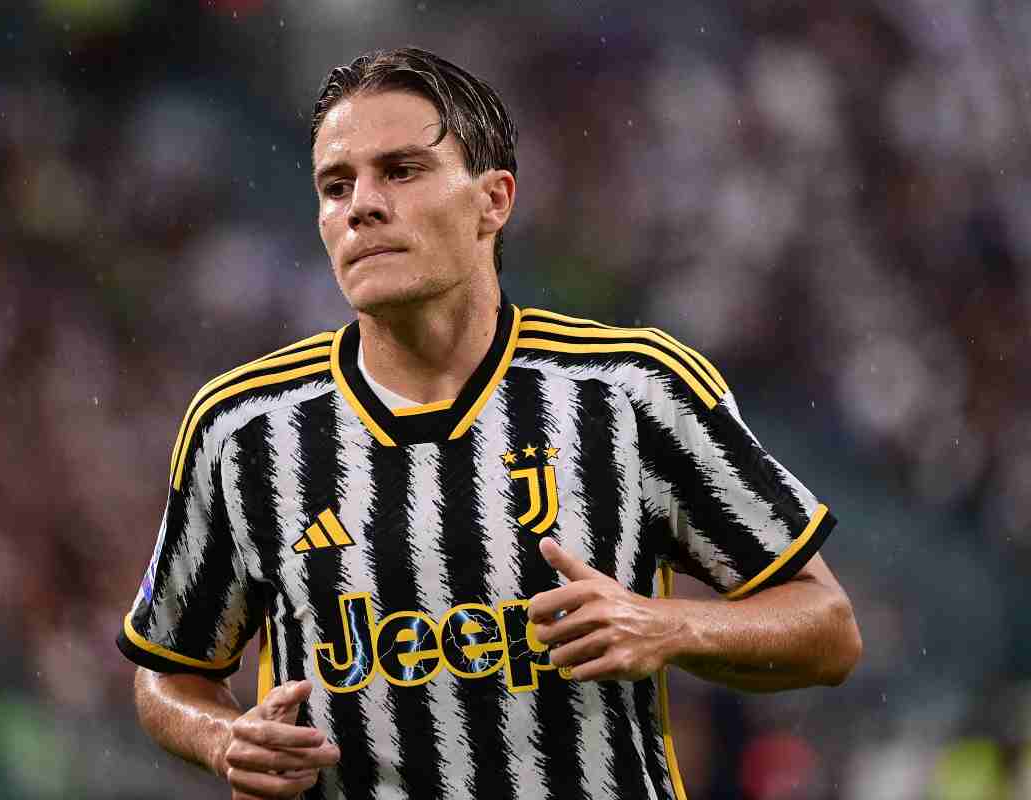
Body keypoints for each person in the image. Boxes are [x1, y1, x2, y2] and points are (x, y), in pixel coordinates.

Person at [116, 47, 862, 800]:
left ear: (493, 200)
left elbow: (827, 628)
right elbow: (167, 670)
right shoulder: (242, 430)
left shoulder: (631, 391)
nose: (361, 206)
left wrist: (668, 627)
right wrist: (224, 739)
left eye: (401, 171)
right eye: (336, 186)